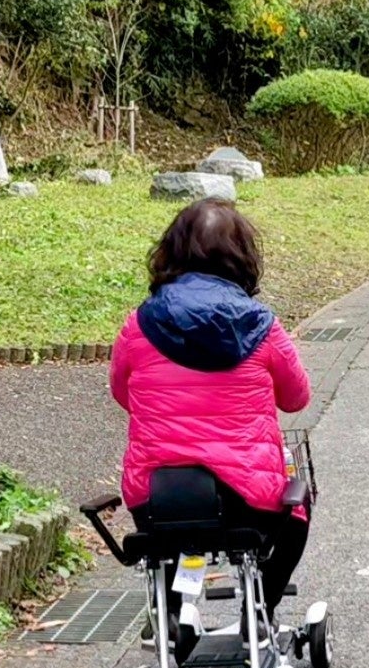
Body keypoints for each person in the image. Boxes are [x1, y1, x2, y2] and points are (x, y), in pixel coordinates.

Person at [111, 199, 312, 644]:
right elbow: (297, 398)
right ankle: (261, 612)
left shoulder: (138, 325)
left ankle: (171, 612)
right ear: (242, 257)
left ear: (171, 252)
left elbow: (123, 393)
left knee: (168, 539)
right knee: (297, 509)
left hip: (156, 498)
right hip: (248, 501)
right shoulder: (262, 326)